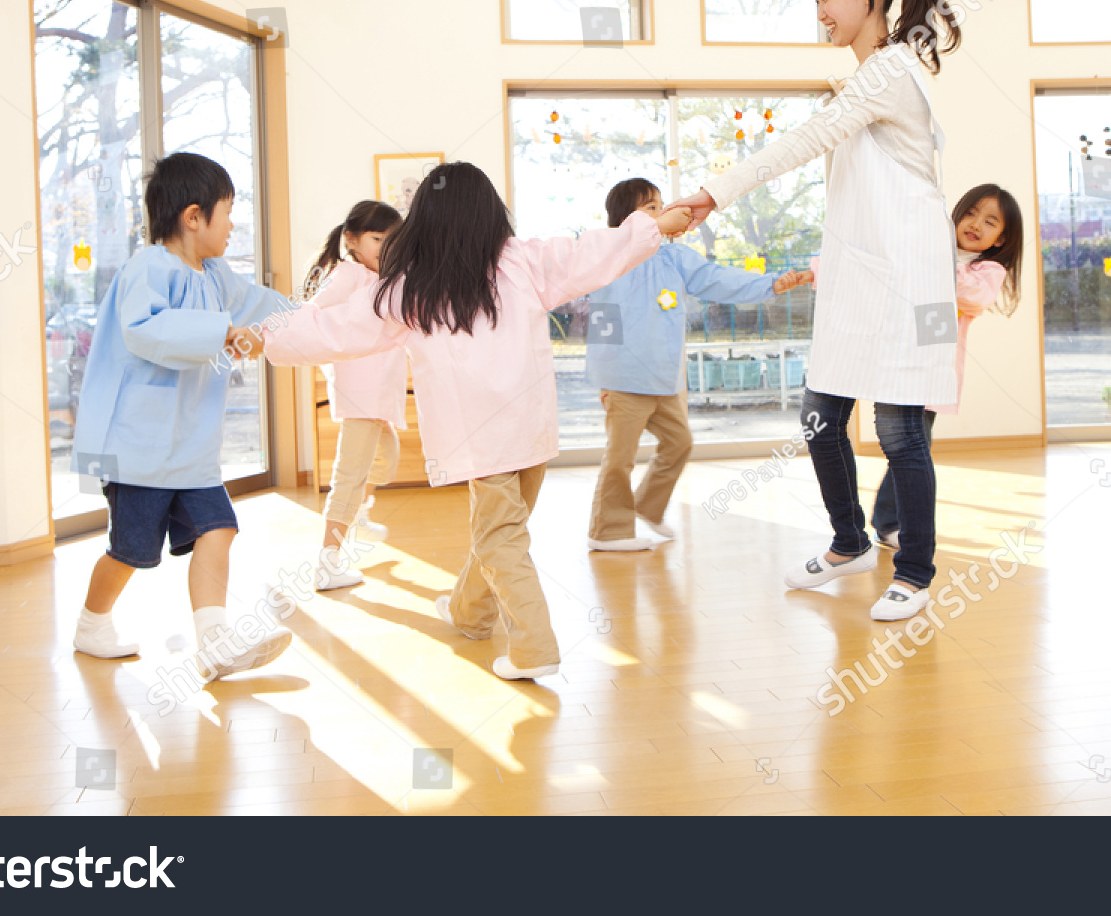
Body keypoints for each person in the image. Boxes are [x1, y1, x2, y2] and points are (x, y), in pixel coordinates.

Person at [260, 163, 695, 679]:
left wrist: (262, 335)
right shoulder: (524, 262)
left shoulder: (410, 287)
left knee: (499, 535)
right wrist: (653, 226)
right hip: (530, 430)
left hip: (479, 438)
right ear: (491, 213)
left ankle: (534, 648)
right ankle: (470, 611)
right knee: (503, 530)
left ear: (424, 221)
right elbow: (592, 252)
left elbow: (334, 329)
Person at [667, 0, 962, 622]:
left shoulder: (888, 71)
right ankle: (850, 540)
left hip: (915, 279)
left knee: (900, 432)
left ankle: (914, 570)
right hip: (864, 279)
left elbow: (804, 139)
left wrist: (715, 192)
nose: (821, 13)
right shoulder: (870, 77)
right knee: (820, 417)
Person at [70, 151, 294, 679]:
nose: (233, 225)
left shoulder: (216, 275)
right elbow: (145, 329)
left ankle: (214, 642)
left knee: (218, 528)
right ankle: (91, 623)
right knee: (130, 552)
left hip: (191, 449)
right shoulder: (148, 268)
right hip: (140, 449)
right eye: (227, 211)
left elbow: (259, 303)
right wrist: (222, 332)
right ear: (194, 217)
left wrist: (317, 317)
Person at [791, 184, 1024, 549]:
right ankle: (879, 524)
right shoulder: (925, 247)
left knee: (912, 446)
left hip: (932, 368)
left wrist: (935, 258)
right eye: (971, 213)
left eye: (990, 221)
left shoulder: (987, 270)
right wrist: (817, 271)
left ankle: (890, 521)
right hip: (895, 355)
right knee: (898, 441)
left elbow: (972, 297)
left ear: (1001, 237)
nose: (976, 223)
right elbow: (873, 265)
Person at [585, 177, 807, 552]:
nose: (664, 212)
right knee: (620, 458)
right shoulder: (609, 252)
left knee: (679, 443)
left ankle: (647, 507)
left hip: (663, 379)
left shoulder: (675, 257)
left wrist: (772, 284)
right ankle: (607, 530)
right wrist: (605, 380)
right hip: (623, 378)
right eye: (651, 208)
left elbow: (721, 280)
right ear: (626, 219)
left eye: (661, 205)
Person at [301, 200, 407, 589]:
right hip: (362, 392)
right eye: (377, 238)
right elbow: (312, 316)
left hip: (380, 394)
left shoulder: (385, 278)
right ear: (352, 239)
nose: (385, 247)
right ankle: (328, 562)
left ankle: (358, 512)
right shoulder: (347, 275)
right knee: (350, 474)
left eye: (392, 240)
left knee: (386, 460)